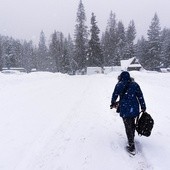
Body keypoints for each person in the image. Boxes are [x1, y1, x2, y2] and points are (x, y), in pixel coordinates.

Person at [110, 71, 146, 154]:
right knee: (132, 123)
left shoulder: (119, 85)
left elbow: (114, 95)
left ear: (120, 77)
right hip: (134, 108)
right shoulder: (135, 85)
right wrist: (143, 106)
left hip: (125, 108)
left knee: (127, 125)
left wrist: (112, 103)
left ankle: (131, 145)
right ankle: (132, 137)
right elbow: (140, 96)